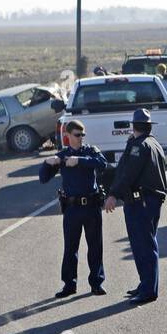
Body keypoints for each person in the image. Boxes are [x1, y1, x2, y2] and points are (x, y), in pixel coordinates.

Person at [104, 108, 167, 305]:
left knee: (144, 246)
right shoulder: (152, 143)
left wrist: (113, 194)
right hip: (145, 201)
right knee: (141, 245)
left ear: (134, 126)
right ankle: (145, 284)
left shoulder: (139, 146)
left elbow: (128, 174)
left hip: (142, 202)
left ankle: (149, 290)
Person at [39, 120, 107, 297]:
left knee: (95, 247)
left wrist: (80, 161)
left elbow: (103, 164)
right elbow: (43, 178)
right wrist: (48, 162)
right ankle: (69, 284)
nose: (81, 138)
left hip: (91, 206)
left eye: (82, 135)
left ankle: (96, 282)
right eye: (77, 135)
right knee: (70, 248)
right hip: (72, 208)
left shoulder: (89, 151)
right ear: (67, 136)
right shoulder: (63, 156)